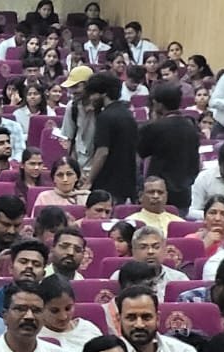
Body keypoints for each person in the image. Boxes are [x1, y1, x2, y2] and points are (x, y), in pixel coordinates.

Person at [139, 83, 201, 213]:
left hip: (157, 193)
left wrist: (153, 121)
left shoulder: (154, 127)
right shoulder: (192, 127)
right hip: (185, 191)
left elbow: (140, 153)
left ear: (158, 104)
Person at [80, 73, 138, 204]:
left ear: (104, 93)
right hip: (127, 183)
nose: (91, 98)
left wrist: (89, 180)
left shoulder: (105, 117)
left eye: (93, 94)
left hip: (107, 183)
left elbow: (102, 152)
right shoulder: (128, 114)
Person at [111, 226, 190, 301]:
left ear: (164, 250)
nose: (150, 252)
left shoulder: (179, 279)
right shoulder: (118, 277)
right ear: (133, 251)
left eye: (156, 247)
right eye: (143, 247)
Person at [190, 146, 224, 221]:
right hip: (211, 226)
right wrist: (213, 214)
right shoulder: (204, 178)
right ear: (220, 163)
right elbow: (192, 212)